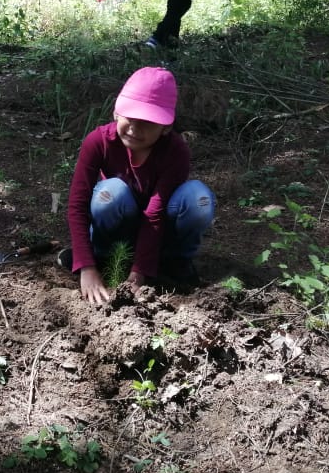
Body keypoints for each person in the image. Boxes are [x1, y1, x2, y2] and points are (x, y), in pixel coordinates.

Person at [59, 67, 216, 305]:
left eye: (147, 123)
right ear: (116, 112)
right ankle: (103, 256)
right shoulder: (98, 142)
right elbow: (77, 205)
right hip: (117, 228)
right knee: (111, 193)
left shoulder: (175, 151)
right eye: (129, 117)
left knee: (198, 199)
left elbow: (155, 213)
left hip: (160, 231)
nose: (134, 128)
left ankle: (175, 261)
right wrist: (86, 266)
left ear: (166, 127)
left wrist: (139, 272)